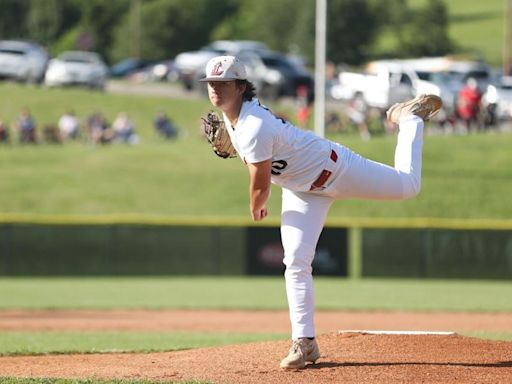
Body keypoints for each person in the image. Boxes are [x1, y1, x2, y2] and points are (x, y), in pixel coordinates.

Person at [200, 55, 442, 370]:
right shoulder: (235, 121)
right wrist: (239, 151)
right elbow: (261, 159)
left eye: (224, 83)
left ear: (241, 86)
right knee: (296, 262)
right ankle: (305, 343)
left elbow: (260, 183)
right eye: (212, 84)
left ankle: (409, 118)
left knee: (408, 185)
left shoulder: (253, 125)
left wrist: (256, 205)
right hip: (302, 191)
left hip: (337, 168)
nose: (216, 89)